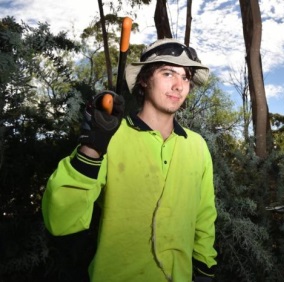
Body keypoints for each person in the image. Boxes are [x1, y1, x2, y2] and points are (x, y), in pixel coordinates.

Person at [42, 38, 218, 282]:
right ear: (144, 79)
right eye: (168, 73)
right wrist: (92, 147)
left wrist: (204, 270)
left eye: (185, 77)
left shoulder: (197, 146)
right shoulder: (110, 137)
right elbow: (59, 221)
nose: (179, 85)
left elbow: (204, 216)